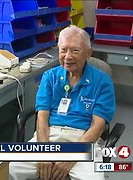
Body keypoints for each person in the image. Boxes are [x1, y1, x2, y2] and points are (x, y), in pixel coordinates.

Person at [9, 25, 115, 180]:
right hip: (50, 134)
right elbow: (43, 117)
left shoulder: (102, 81)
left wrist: (71, 157)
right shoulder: (49, 77)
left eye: (75, 50)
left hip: (83, 139)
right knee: (13, 168)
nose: (68, 56)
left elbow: (98, 126)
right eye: (63, 50)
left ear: (88, 53)